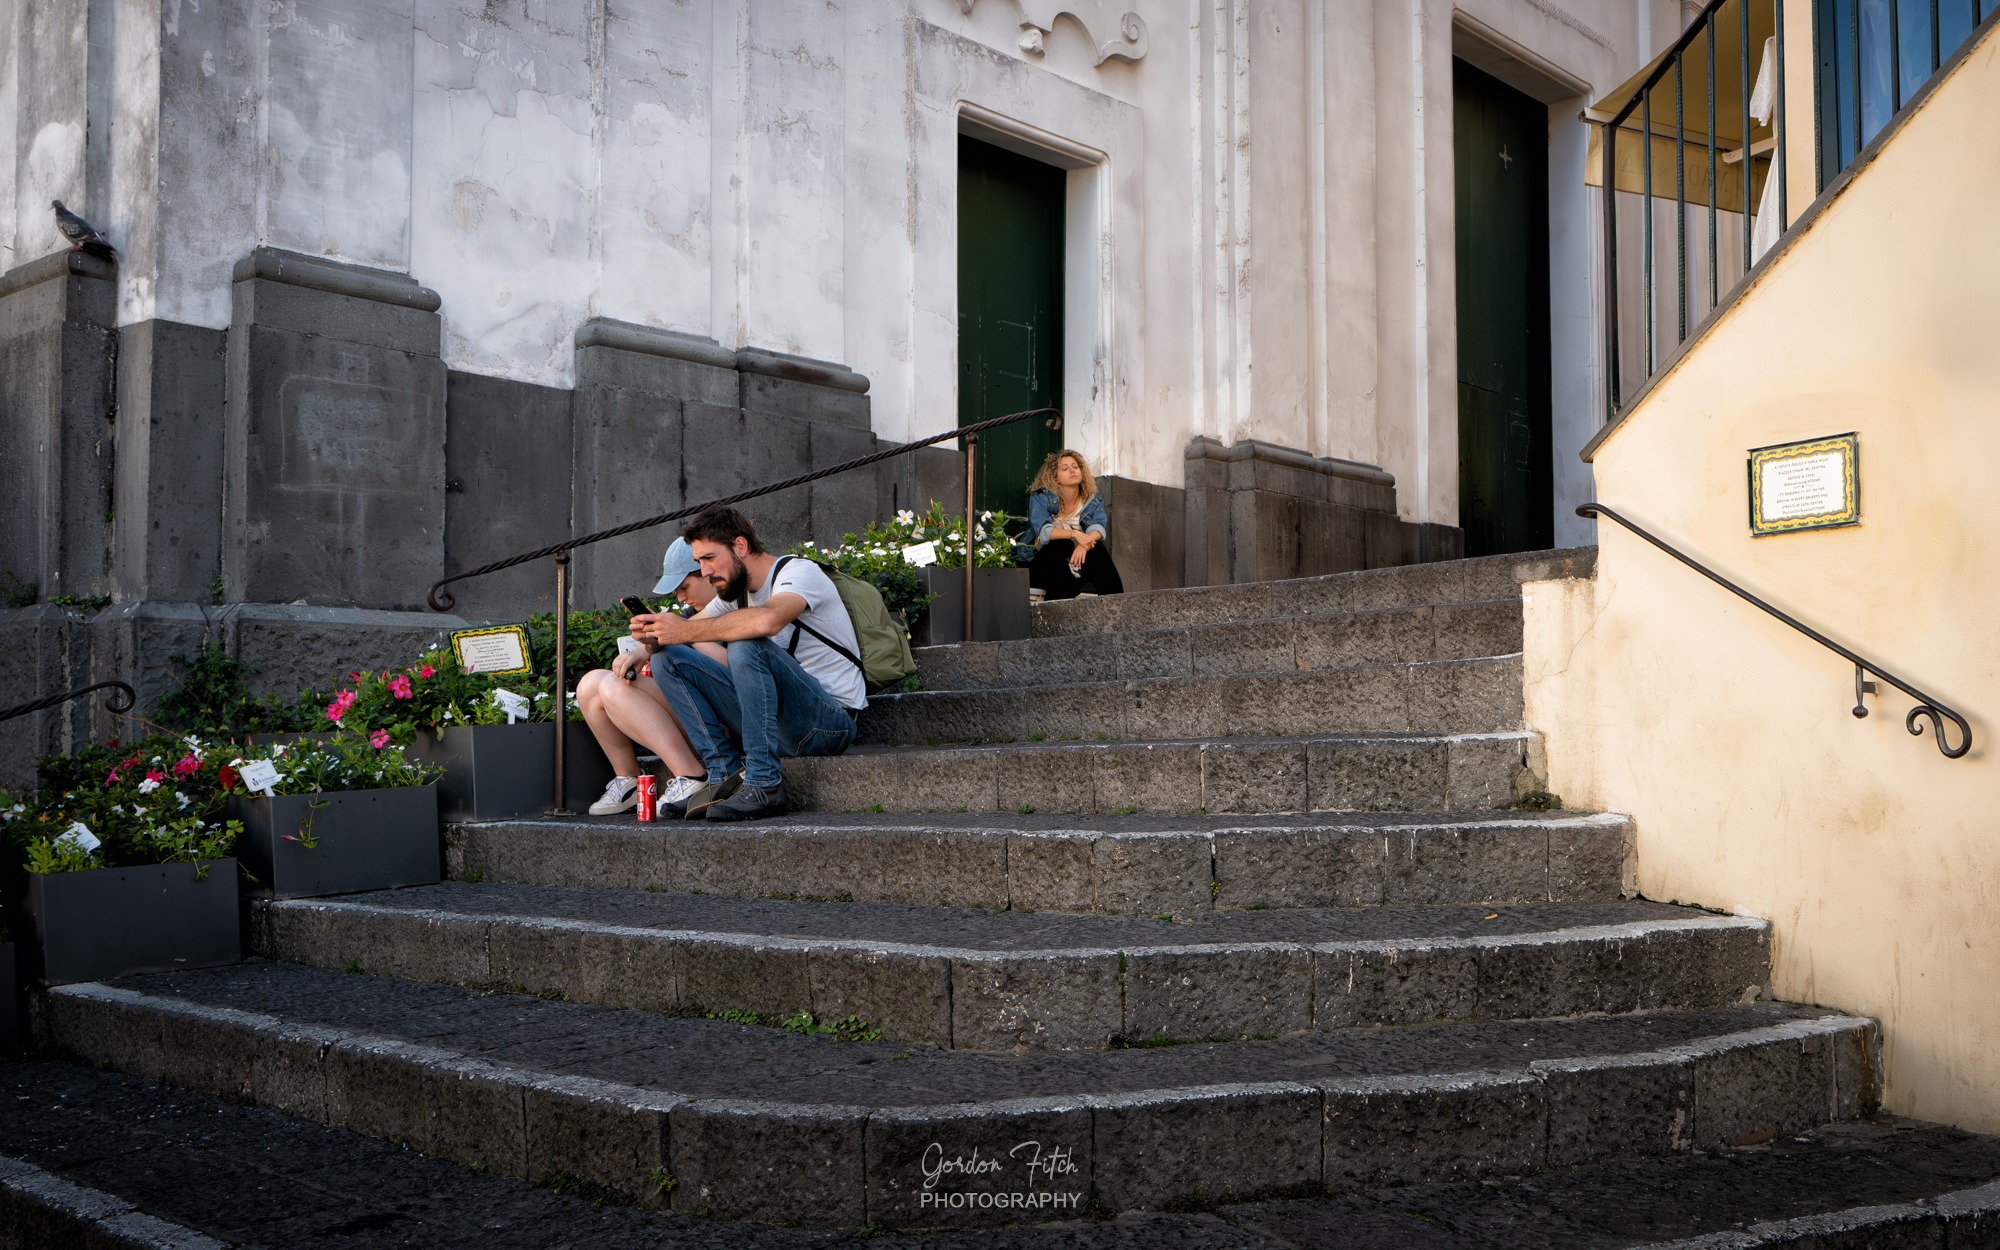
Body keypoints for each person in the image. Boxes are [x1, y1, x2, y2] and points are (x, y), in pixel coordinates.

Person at [630, 506, 866, 821]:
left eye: (710, 558)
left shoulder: (798, 573)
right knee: (669, 659)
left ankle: (764, 783)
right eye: (699, 561)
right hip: (782, 723)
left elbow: (767, 621)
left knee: (747, 643)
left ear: (740, 546)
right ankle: (723, 776)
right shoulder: (735, 594)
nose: (704, 571)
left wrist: (683, 630)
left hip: (828, 723)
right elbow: (687, 631)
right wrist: (647, 645)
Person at [574, 538, 719, 815]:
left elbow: (729, 673)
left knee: (616, 688)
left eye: (684, 587)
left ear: (709, 573)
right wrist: (645, 647)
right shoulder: (689, 615)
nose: (680, 597)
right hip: (692, 710)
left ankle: (691, 775)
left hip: (721, 719)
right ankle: (628, 781)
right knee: (591, 683)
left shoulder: (736, 607)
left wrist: (682, 636)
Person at [1026, 449, 1124, 601]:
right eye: (1064, 469)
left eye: (1075, 467)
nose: (1072, 470)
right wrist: (1075, 534)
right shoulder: (1041, 498)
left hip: (1076, 567)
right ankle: (1066, 601)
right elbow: (1044, 533)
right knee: (1061, 544)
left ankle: (1116, 602)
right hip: (1044, 568)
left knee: (1097, 548)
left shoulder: (1092, 502)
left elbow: (1098, 528)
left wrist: (1083, 545)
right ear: (1055, 477)